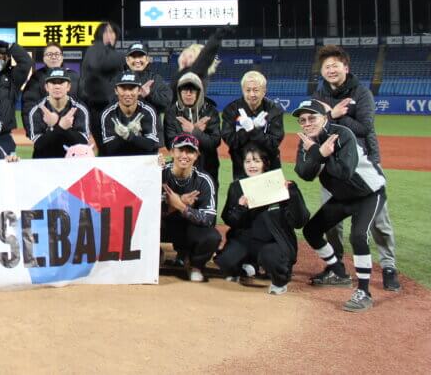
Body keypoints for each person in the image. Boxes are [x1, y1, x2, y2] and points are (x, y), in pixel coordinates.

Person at [313, 45, 400, 292]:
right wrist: (331, 115)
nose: (331, 70)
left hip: (365, 164)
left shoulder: (362, 93)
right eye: (326, 66)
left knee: (379, 221)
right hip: (333, 165)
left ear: (346, 67)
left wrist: (335, 116)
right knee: (331, 222)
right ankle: (336, 265)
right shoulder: (319, 95)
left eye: (335, 65)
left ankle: (388, 266)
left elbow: (365, 128)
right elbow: (316, 128)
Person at [293, 99, 386, 312]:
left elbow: (344, 172)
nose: (307, 123)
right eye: (302, 120)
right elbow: (304, 173)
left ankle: (364, 292)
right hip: (343, 197)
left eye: (312, 118)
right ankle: (337, 271)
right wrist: (319, 153)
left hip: (369, 193)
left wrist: (317, 154)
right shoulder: (306, 142)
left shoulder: (343, 134)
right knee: (311, 230)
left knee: (358, 236)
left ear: (324, 118)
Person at [216, 146, 310, 295]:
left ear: (265, 164)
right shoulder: (237, 187)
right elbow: (229, 220)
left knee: (269, 256)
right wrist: (240, 208)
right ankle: (250, 266)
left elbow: (300, 221)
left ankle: (280, 280)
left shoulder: (281, 186)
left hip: (275, 243)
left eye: (256, 161)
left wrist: (293, 194)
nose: (251, 165)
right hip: (248, 240)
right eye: (247, 161)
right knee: (225, 261)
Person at [161, 133, 221, 282]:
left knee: (212, 237)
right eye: (180, 150)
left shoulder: (204, 180)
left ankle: (195, 265)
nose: (184, 155)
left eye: (190, 151)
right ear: (172, 152)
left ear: (196, 156)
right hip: (162, 226)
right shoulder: (159, 173)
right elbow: (145, 213)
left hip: (188, 229)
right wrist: (175, 204)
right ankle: (153, 254)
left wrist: (181, 206)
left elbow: (208, 219)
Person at [163, 72, 221, 195]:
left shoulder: (210, 111)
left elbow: (214, 142)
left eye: (192, 90)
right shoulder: (171, 112)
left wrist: (193, 131)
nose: (188, 94)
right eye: (184, 90)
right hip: (180, 170)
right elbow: (170, 144)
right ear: (179, 92)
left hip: (208, 167)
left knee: (207, 204)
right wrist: (194, 131)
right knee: (178, 204)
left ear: (199, 92)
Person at [220, 71, 284, 180]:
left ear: (264, 91)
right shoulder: (231, 110)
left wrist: (252, 130)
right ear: (243, 90)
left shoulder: (274, 110)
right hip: (241, 168)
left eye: (256, 90)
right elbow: (231, 141)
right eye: (248, 90)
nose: (252, 94)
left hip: (270, 168)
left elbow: (273, 143)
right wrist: (248, 130)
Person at [77, 22, 125, 148]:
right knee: (108, 148)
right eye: (105, 32)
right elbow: (98, 64)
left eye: (112, 32)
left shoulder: (110, 53)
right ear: (99, 35)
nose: (109, 35)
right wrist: (126, 56)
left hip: (113, 108)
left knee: (115, 148)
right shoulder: (94, 49)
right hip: (99, 109)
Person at [28, 69, 91, 158]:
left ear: (68, 86)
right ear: (46, 87)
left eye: (61, 82)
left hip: (71, 160)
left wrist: (55, 126)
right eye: (53, 82)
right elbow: (39, 145)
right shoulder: (37, 110)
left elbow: (83, 143)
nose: (57, 86)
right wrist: (61, 127)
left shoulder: (79, 109)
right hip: (44, 160)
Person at [20, 43, 78, 135]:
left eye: (57, 54)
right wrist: (34, 132)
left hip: (72, 131)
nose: (53, 57)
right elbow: (29, 106)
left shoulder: (74, 76)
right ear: (44, 58)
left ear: (62, 57)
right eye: (49, 54)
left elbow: (83, 104)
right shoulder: (37, 77)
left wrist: (79, 129)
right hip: (46, 132)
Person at [99, 73, 161, 156]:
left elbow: (151, 145)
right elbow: (109, 149)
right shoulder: (108, 113)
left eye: (132, 88)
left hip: (142, 158)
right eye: (123, 88)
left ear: (139, 91)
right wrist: (124, 136)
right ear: (116, 91)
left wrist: (129, 136)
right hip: (118, 159)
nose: (128, 93)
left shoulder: (148, 111)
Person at [170, 25, 232, 96]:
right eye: (184, 54)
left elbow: (206, 55)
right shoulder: (180, 74)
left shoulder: (195, 73)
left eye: (190, 57)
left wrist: (217, 36)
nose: (185, 58)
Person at [115, 43, 172, 117]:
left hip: (150, 124)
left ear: (147, 59)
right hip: (124, 123)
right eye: (133, 57)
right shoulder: (118, 79)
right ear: (127, 60)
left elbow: (166, 103)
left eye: (140, 56)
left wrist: (149, 95)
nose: (137, 60)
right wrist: (137, 96)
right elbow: (110, 102)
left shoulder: (155, 79)